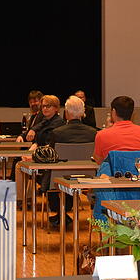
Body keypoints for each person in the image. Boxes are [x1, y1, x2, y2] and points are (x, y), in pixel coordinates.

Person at [45, 96, 98, 227]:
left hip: (59, 177)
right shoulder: (94, 133)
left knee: (49, 175)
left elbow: (51, 156)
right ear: (83, 112)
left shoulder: (57, 133)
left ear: (67, 113)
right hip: (88, 177)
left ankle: (60, 213)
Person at [94, 96, 140, 164]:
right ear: (132, 113)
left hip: (112, 174)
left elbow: (99, 161)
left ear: (113, 112)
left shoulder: (102, 135)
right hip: (139, 173)